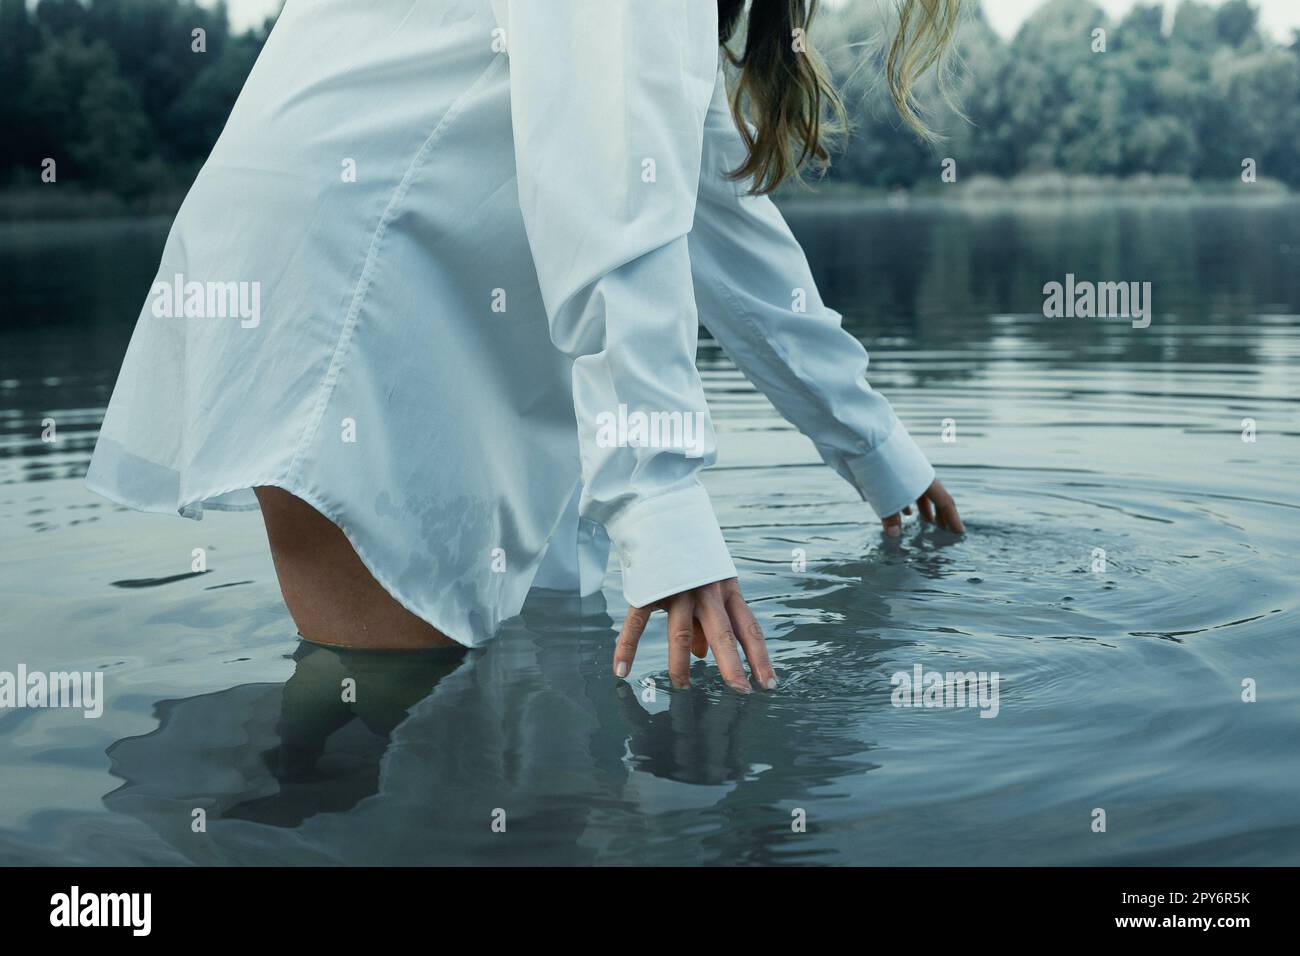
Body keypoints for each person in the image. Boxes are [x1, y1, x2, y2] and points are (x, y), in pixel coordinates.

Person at [86, 0, 965, 693]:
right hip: (361, 287)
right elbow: (614, 171)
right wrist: (657, 500)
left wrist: (874, 444)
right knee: (389, 729)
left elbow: (701, 195)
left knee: (496, 766)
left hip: (360, 250)